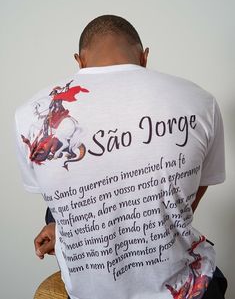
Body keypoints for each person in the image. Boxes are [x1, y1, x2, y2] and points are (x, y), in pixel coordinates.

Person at [15, 15, 227, 299]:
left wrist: (64, 228)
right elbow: (185, 202)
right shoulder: (202, 102)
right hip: (187, 289)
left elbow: (63, 195)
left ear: (79, 61)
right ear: (144, 57)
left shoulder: (28, 117)